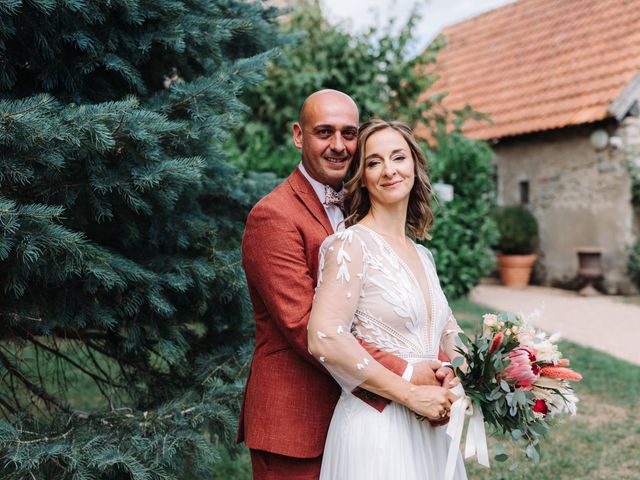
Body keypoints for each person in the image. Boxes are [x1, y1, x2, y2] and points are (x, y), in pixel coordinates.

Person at [238, 90, 455, 479]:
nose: (338, 145)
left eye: (348, 133)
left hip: (378, 415)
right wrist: (410, 373)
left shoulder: (369, 217)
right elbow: (304, 326)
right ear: (298, 135)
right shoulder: (273, 216)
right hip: (300, 416)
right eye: (324, 132)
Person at [307, 119, 468, 479]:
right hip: (378, 428)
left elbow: (446, 335)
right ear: (362, 176)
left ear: (415, 166)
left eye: (398, 157)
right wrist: (410, 394)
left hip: (432, 429)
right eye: (374, 162)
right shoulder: (351, 244)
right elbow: (325, 338)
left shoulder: (422, 255)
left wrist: (470, 377)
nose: (389, 170)